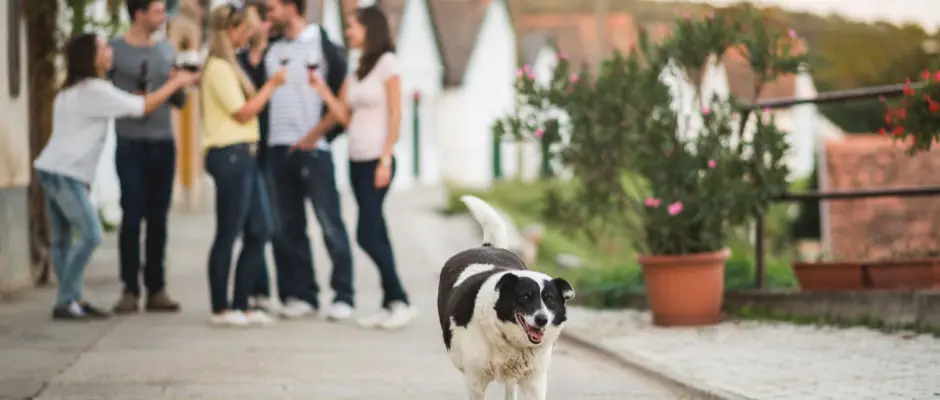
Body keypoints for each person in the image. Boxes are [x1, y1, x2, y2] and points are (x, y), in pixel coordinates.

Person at [33, 33, 199, 321]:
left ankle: (72, 299)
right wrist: (176, 83)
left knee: (62, 241)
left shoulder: (72, 91)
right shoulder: (95, 91)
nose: (109, 51)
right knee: (90, 234)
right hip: (65, 175)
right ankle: (66, 300)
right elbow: (142, 108)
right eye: (103, 48)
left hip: (52, 169)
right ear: (90, 57)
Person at [296, 6, 415, 329]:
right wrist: (322, 92)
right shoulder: (357, 67)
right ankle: (391, 302)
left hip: (378, 159)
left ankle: (401, 299)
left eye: (352, 27)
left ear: (369, 29)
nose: (348, 32)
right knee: (378, 231)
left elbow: (396, 114)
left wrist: (386, 157)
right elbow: (344, 117)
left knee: (366, 233)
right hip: (356, 160)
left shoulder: (389, 64)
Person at [263, 0, 353, 321]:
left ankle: (344, 295)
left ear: (292, 6)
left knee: (330, 226)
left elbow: (343, 105)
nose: (267, 12)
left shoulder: (325, 47)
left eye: (272, 6)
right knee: (288, 228)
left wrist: (315, 135)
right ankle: (302, 295)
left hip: (315, 151)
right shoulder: (270, 49)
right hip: (276, 149)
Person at [201, 4, 287, 327]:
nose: (247, 33)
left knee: (260, 229)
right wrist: (272, 85)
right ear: (229, 31)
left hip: (245, 155)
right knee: (228, 231)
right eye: (241, 29)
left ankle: (241, 303)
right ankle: (220, 307)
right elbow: (242, 112)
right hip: (229, 154)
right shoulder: (218, 68)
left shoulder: (232, 65)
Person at [110, 0, 187, 314]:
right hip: (130, 144)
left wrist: (178, 83)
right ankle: (129, 289)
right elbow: (103, 96)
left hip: (163, 143)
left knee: (158, 218)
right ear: (139, 14)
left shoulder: (167, 50)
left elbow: (179, 102)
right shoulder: (115, 52)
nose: (162, 16)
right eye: (156, 11)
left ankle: (157, 289)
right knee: (131, 216)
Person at [236, 4, 278, 313]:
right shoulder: (237, 62)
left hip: (272, 150)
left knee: (267, 222)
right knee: (251, 223)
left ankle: (263, 290)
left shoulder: (276, 57)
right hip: (247, 149)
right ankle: (254, 289)